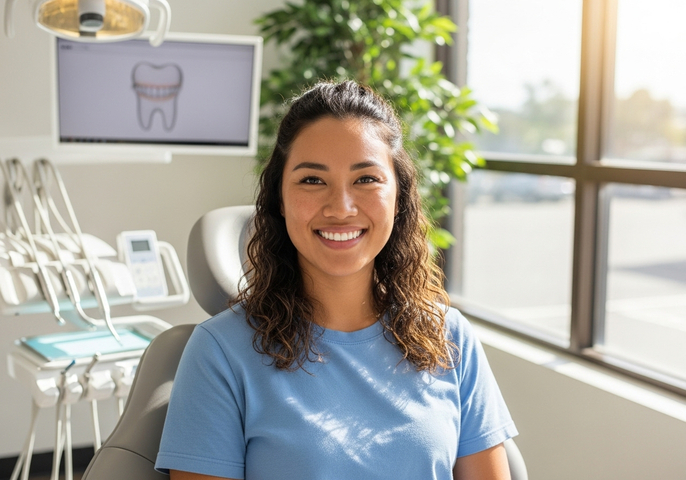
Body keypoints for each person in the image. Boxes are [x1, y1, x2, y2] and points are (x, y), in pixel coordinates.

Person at [155, 80, 517, 479]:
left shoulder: (449, 338)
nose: (341, 208)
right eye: (312, 180)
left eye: (366, 179)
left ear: (399, 197)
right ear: (279, 197)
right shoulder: (220, 354)